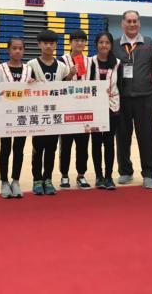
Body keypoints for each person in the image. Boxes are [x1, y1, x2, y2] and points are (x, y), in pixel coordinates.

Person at [112, 10, 152, 189]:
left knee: (147, 136)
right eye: (129, 21)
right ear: (122, 24)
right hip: (122, 98)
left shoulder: (150, 43)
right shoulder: (115, 44)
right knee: (122, 136)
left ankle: (149, 173)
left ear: (139, 23)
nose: (132, 24)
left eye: (135, 21)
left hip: (146, 97)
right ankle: (125, 171)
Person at [27, 29, 70, 196]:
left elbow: (66, 89)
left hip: (55, 114)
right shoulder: (31, 65)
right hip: (38, 114)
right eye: (45, 43)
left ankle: (48, 179)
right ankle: (37, 179)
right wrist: (28, 82)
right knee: (38, 149)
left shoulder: (62, 67)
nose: (48, 46)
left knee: (51, 149)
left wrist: (70, 77)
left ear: (56, 45)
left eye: (52, 43)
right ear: (39, 44)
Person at [0, 37, 33, 199]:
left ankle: (15, 181)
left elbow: (35, 91)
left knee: (19, 149)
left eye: (20, 48)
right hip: (5, 115)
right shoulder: (0, 69)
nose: (17, 51)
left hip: (22, 115)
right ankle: (4, 181)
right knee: (5, 148)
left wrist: (34, 83)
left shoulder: (29, 69)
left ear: (24, 50)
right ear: (8, 50)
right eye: (14, 48)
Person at [59, 30, 92, 189]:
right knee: (65, 145)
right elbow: (57, 86)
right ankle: (64, 175)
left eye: (82, 40)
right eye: (76, 40)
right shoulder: (62, 60)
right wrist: (69, 75)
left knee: (83, 145)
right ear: (70, 42)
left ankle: (81, 175)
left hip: (84, 109)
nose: (79, 43)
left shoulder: (90, 61)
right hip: (66, 109)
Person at [89, 32, 122, 190]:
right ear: (96, 44)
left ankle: (109, 176)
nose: (104, 45)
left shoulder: (118, 63)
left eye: (107, 42)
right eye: (101, 42)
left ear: (111, 45)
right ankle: (99, 176)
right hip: (94, 108)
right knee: (96, 142)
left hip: (112, 106)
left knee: (109, 143)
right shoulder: (90, 62)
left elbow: (121, 85)